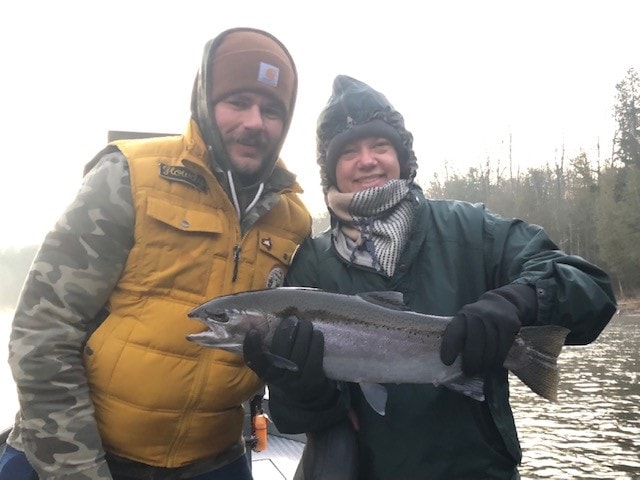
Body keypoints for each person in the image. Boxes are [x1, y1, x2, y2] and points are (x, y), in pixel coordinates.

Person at [243, 75, 617, 479]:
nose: (367, 160)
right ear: (331, 169)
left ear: (401, 155)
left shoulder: (470, 229)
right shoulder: (313, 264)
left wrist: (521, 300)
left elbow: (593, 288)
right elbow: (301, 414)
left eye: (380, 145)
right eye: (348, 151)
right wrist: (297, 382)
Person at [0, 27, 311, 480]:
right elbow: (42, 333)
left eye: (271, 110)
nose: (254, 122)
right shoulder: (127, 175)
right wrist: (77, 471)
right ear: (204, 101)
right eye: (238, 102)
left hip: (215, 462)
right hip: (78, 458)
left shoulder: (294, 219)